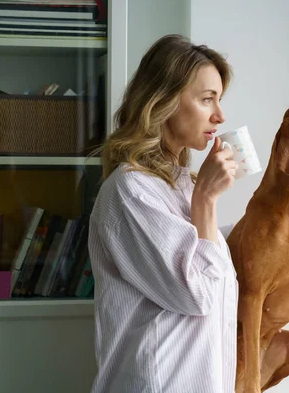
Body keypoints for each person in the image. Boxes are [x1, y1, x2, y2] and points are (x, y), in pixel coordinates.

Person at [88, 34, 239, 393]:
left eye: (219, 100)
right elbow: (195, 295)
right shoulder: (131, 190)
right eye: (207, 100)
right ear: (164, 101)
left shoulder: (182, 185)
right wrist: (206, 202)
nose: (220, 115)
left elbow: (213, 281)